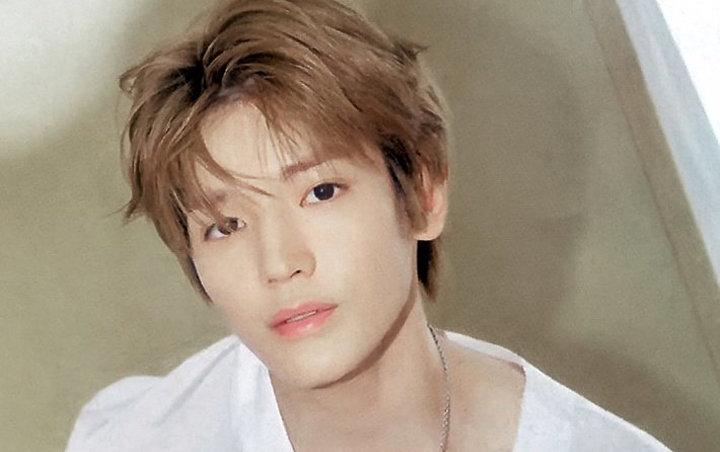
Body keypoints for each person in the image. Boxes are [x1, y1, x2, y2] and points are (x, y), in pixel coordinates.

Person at [65, 0, 674, 451]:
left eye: (321, 192)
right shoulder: (137, 437)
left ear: (424, 193)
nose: (280, 263)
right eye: (226, 225)